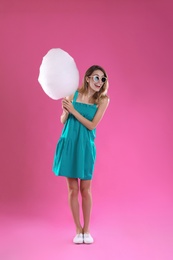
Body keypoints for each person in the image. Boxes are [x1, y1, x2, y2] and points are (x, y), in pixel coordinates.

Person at [52, 65, 109, 244]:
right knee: (72, 189)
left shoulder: (103, 100)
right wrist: (65, 111)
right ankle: (78, 229)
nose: (99, 82)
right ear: (87, 78)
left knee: (85, 190)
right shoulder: (73, 94)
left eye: (103, 79)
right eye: (96, 78)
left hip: (85, 147)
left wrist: (74, 111)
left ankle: (87, 230)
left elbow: (92, 125)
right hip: (69, 143)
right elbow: (63, 121)